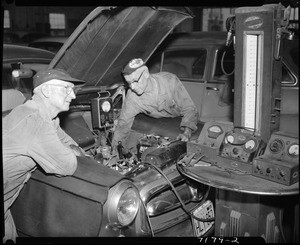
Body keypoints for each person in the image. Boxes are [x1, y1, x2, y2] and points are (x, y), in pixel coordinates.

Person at [3, 68, 86, 243]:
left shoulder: (44, 117)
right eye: (66, 88)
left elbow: (74, 146)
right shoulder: (36, 121)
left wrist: (70, 149)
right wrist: (70, 151)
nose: (72, 95)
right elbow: (67, 165)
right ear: (47, 91)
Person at [112, 58, 199, 154]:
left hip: (179, 121)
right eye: (129, 83)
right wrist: (115, 148)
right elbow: (123, 124)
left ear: (145, 73)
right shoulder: (132, 97)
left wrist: (187, 132)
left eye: (135, 81)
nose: (133, 87)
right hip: (156, 123)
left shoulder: (170, 81)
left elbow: (190, 108)